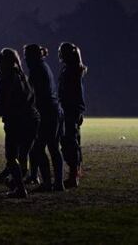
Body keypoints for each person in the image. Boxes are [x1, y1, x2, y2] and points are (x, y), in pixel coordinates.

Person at [0, 48, 40, 198]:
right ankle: (16, 183)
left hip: (18, 121)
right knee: (22, 156)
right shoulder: (23, 76)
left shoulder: (8, 78)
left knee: (11, 156)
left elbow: (7, 102)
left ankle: (20, 188)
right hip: (32, 119)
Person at [26, 44, 65, 192]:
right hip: (55, 110)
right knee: (54, 148)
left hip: (47, 112)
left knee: (37, 149)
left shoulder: (36, 70)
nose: (25, 60)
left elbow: (35, 94)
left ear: (32, 56)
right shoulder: (44, 66)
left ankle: (47, 183)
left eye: (26, 57)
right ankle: (58, 182)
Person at [58, 42, 87, 189]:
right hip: (71, 110)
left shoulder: (71, 71)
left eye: (61, 51)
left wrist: (75, 111)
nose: (59, 54)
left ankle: (73, 176)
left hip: (70, 111)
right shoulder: (71, 70)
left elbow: (72, 94)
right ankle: (73, 174)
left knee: (70, 143)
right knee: (71, 142)